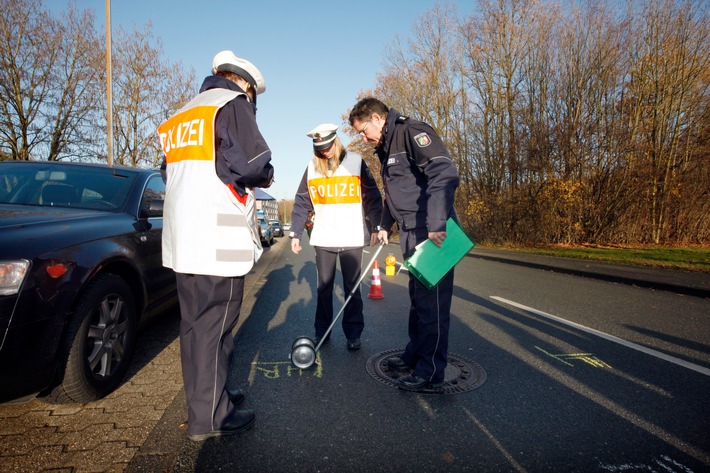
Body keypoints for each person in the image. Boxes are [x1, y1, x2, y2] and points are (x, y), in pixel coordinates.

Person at [157, 50, 274, 441]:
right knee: (216, 329)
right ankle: (210, 418)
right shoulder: (232, 104)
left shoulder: (183, 114)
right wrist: (267, 176)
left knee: (194, 329)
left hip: (182, 241)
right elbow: (254, 164)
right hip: (216, 241)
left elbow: (167, 171)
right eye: (253, 93)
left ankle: (211, 399)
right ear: (244, 84)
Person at [348, 98, 459, 392]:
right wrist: (385, 224)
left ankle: (430, 372)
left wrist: (437, 224)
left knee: (432, 306)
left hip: (433, 234)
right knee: (419, 302)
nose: (363, 137)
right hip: (412, 233)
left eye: (362, 131)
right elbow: (396, 193)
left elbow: (443, 173)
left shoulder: (412, 132)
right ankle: (416, 354)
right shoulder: (388, 146)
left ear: (376, 118)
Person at [289, 123, 383, 351]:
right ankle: (322, 333)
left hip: (351, 236)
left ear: (336, 141)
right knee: (324, 289)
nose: (325, 151)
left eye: (328, 146)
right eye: (320, 148)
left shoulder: (356, 162)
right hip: (324, 237)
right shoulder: (311, 168)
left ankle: (353, 334)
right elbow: (302, 201)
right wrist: (295, 233)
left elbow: (372, 196)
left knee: (352, 289)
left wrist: (378, 226)